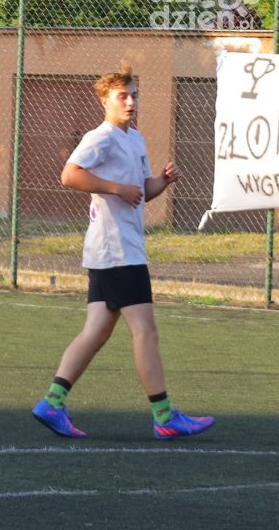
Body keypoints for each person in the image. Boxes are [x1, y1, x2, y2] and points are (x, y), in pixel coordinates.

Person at [31, 63, 214, 440]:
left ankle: (52, 403)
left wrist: (162, 181)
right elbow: (69, 175)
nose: (130, 102)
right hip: (117, 251)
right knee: (145, 331)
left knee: (96, 331)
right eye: (122, 96)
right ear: (105, 101)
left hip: (117, 250)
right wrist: (115, 188)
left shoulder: (135, 139)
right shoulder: (100, 137)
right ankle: (164, 416)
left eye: (134, 95)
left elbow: (142, 192)